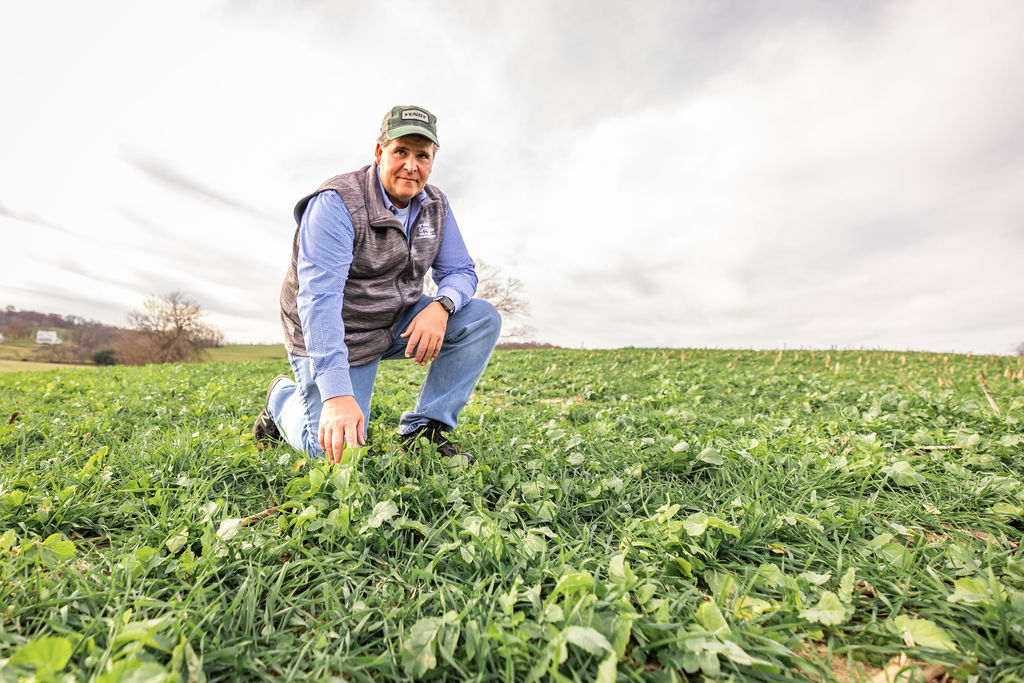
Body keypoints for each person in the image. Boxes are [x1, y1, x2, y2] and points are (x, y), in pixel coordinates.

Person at [253, 105, 501, 463]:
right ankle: (281, 398)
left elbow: (461, 270)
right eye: (401, 151)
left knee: (480, 318)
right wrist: (337, 396)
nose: (411, 166)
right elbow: (319, 301)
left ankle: (424, 431)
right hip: (341, 332)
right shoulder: (337, 204)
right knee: (332, 452)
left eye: (422, 156)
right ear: (379, 152)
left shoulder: (435, 205)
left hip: (394, 319)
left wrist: (440, 306)